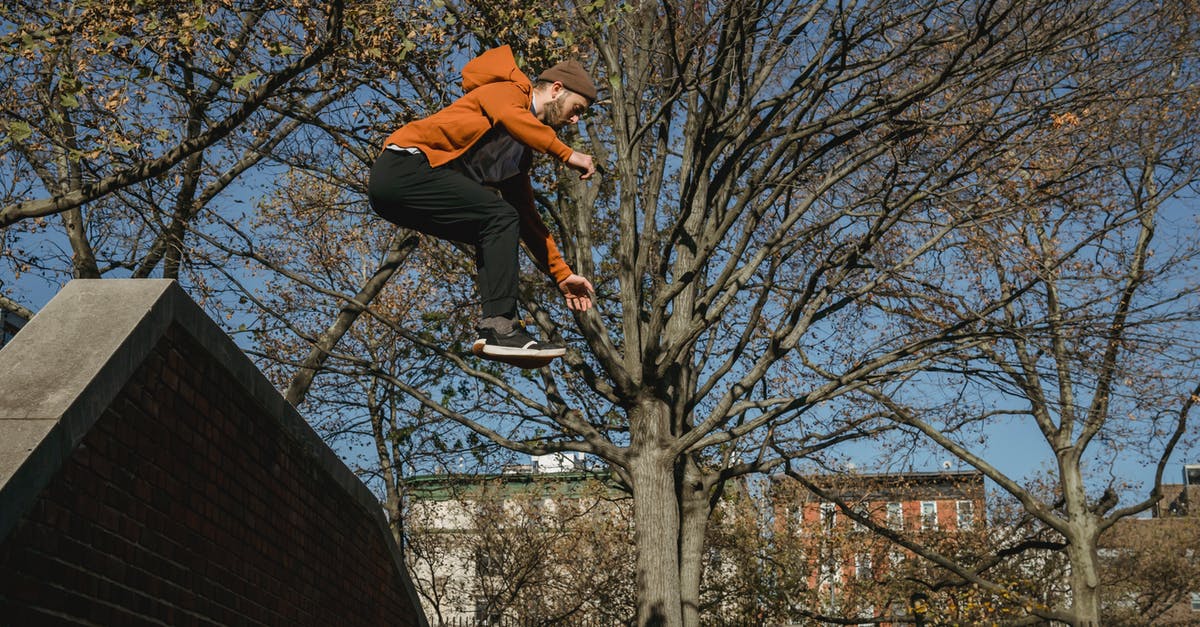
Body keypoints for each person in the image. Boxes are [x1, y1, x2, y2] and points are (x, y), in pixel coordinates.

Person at [367, 45, 598, 361]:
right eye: (577, 108)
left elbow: (528, 219)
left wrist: (561, 273)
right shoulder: (508, 90)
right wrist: (566, 153)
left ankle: (495, 329)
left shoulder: (518, 156)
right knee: (498, 217)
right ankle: (503, 327)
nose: (574, 120)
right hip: (403, 169)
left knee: (497, 225)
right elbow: (511, 117)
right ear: (557, 90)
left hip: (405, 196)